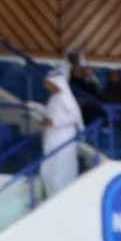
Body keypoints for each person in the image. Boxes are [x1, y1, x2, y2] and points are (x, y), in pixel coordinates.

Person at [38, 69, 83, 197]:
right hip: (52, 139)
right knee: (48, 170)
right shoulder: (53, 98)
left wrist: (54, 122)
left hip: (63, 140)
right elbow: (50, 115)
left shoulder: (66, 97)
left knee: (61, 171)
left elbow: (75, 117)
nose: (46, 86)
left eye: (48, 83)